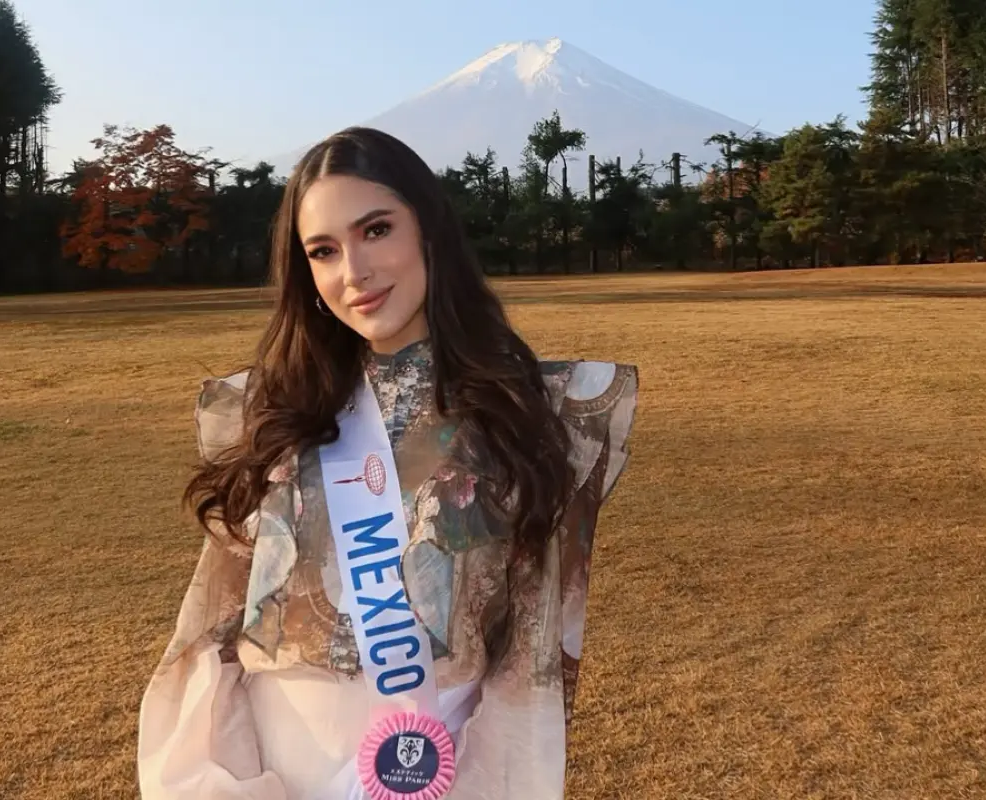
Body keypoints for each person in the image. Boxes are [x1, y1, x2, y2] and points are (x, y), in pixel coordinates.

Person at [136, 126, 638, 799]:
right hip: (268, 772)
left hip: (444, 774)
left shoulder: (533, 417)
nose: (355, 272)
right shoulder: (274, 412)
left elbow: (531, 661)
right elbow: (210, 633)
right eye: (324, 251)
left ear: (429, 231)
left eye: (376, 230)